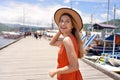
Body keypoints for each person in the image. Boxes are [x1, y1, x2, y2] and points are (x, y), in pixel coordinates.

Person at [49, 8, 86, 80]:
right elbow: (52, 43)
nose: (63, 23)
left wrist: (55, 71)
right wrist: (61, 30)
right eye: (61, 21)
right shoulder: (71, 38)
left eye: (67, 21)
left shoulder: (67, 40)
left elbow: (74, 66)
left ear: (72, 26)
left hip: (68, 77)